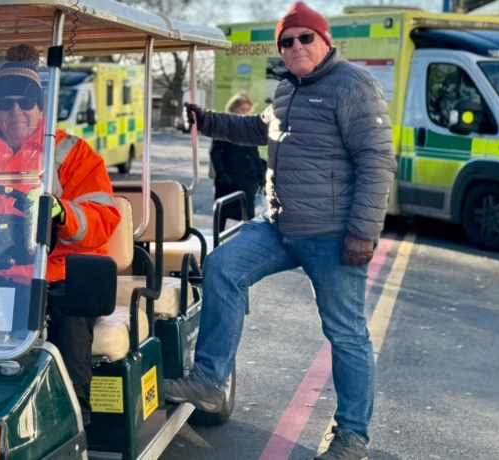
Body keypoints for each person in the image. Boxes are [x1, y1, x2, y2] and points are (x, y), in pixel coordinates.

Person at [165, 3, 396, 459]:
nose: (295, 47)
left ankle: (352, 436)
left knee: (346, 332)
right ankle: (210, 382)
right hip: (278, 225)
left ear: (325, 41)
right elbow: (260, 129)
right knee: (221, 265)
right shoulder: (288, 90)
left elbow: (377, 163)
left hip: (332, 235)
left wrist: (362, 234)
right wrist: (207, 121)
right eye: (286, 42)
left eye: (304, 38)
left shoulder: (354, 86)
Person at [0, 44, 120, 426]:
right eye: (6, 103)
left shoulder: (70, 154)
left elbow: (104, 220)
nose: (16, 111)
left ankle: (72, 427)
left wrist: (61, 213)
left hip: (58, 278)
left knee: (67, 359)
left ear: (39, 105)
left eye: (26, 102)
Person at [209, 92, 265, 232]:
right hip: (229, 179)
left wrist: (261, 175)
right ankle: (217, 244)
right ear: (233, 109)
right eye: (242, 110)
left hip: (248, 178)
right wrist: (222, 175)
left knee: (249, 215)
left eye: (247, 110)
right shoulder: (224, 125)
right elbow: (215, 153)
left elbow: (254, 154)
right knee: (222, 214)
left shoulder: (249, 127)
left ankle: (247, 245)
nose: (245, 113)